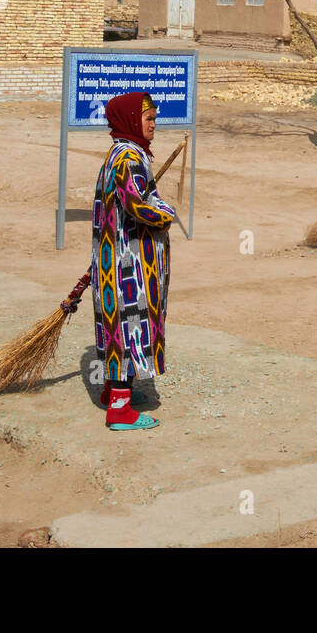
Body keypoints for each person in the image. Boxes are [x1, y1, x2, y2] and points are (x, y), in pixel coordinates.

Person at [90, 91, 176, 431]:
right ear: (130, 120)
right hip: (130, 264)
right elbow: (137, 205)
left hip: (117, 257)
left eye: (154, 118)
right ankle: (120, 412)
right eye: (148, 119)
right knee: (129, 328)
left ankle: (114, 391)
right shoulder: (128, 157)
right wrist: (166, 212)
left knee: (119, 329)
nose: (154, 124)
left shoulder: (124, 151)